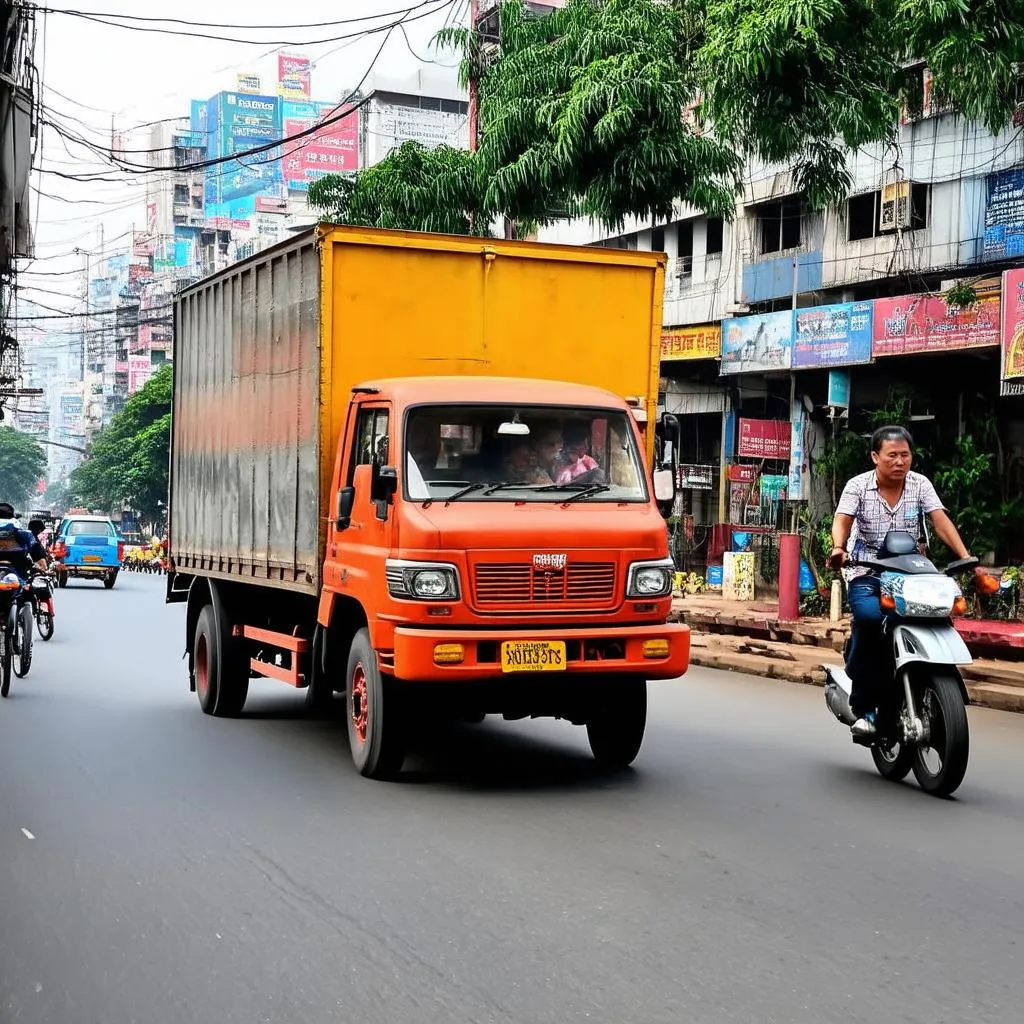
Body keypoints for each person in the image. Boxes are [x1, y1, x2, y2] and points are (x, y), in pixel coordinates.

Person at [828, 426, 970, 738]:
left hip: (912, 572)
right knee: (871, 620)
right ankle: (864, 705)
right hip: (867, 571)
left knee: (939, 614)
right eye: (892, 455)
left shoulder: (920, 485)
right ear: (875, 456)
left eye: (905, 455)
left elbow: (939, 518)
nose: (899, 461)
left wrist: (964, 554)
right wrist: (839, 548)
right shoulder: (858, 486)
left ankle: (921, 678)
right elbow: (842, 519)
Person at [0, 503, 48, 581]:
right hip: (19, 571)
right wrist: (44, 569)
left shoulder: (23, 532)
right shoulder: (23, 532)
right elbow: (37, 554)